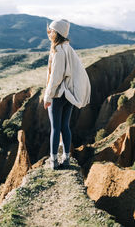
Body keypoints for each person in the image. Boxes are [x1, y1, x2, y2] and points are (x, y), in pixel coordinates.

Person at [44, 19, 91, 169]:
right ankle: (66, 157)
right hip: (69, 95)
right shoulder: (68, 48)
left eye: (51, 31)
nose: (49, 33)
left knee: (55, 128)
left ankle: (53, 161)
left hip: (58, 95)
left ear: (56, 33)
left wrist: (48, 96)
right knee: (65, 126)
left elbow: (55, 77)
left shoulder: (58, 51)